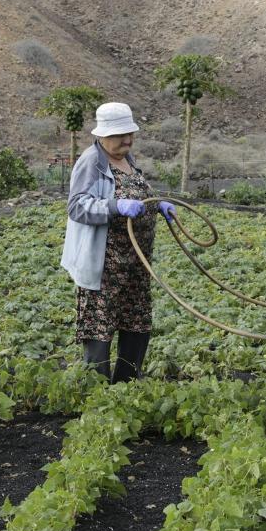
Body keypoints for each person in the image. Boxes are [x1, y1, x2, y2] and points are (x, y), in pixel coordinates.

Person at [60, 102, 176, 382]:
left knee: (137, 322)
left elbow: (136, 190)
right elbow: (77, 206)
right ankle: (97, 391)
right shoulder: (91, 160)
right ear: (102, 135)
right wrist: (115, 206)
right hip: (105, 266)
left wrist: (156, 204)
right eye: (120, 135)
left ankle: (126, 385)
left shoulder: (127, 158)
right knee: (100, 326)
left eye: (130, 133)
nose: (127, 140)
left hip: (135, 264)